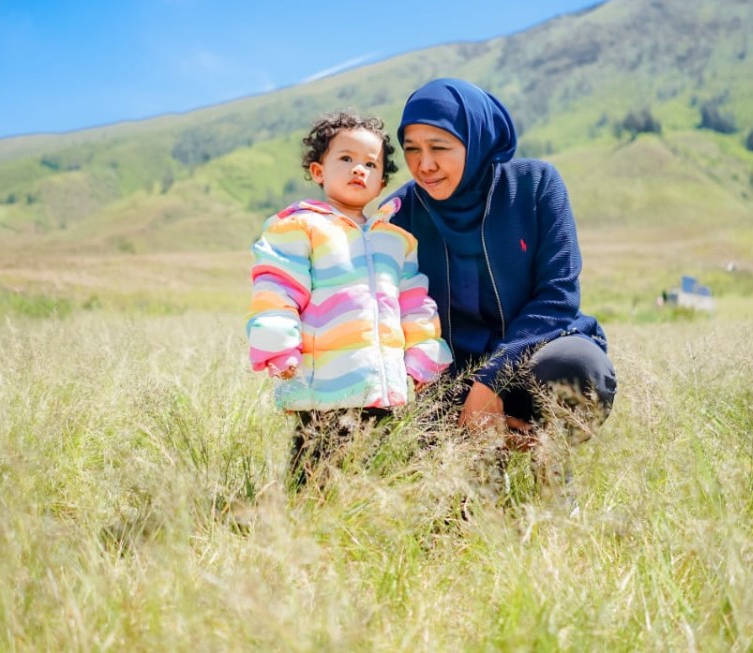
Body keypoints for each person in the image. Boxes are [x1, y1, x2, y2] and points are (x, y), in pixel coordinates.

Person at [385, 78, 617, 452]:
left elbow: (558, 298)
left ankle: (551, 472)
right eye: (411, 149)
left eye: (439, 147)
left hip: (533, 355)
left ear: (475, 141)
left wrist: (490, 381)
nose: (424, 165)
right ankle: (479, 470)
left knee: (576, 367)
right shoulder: (399, 216)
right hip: (445, 379)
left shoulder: (535, 186)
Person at [247, 111, 453, 488]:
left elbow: (415, 304)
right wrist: (278, 346)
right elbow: (277, 290)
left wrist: (425, 358)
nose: (359, 169)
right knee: (315, 481)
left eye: (370, 164)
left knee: (375, 482)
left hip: (383, 390)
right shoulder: (299, 227)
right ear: (318, 171)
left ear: (382, 182)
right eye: (346, 159)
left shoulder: (397, 240)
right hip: (321, 389)